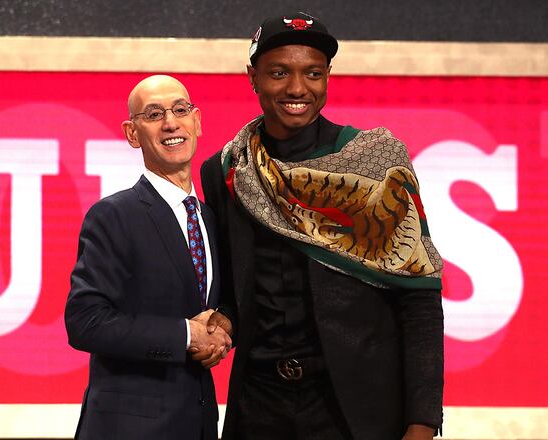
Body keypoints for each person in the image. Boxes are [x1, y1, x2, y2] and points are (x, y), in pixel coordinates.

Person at [201, 12, 444, 440]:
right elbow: (235, 293)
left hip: (357, 409)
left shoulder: (377, 164)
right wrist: (221, 322)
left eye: (312, 73)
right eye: (279, 73)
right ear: (253, 77)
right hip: (258, 404)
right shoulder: (228, 172)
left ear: (328, 76)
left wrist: (422, 422)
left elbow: (419, 299)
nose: (297, 89)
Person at [65, 75, 230, 440]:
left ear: (197, 121)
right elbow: (85, 321)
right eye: (154, 114)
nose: (170, 123)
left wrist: (223, 328)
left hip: (199, 424)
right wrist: (186, 335)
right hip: (128, 428)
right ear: (132, 133)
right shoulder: (113, 216)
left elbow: (218, 303)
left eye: (180, 110)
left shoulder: (209, 218)